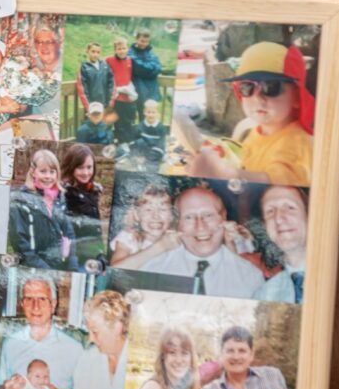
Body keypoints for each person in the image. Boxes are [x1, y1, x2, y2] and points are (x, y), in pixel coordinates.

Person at [188, 42, 313, 186]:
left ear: (297, 97)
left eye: (271, 87)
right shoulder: (260, 130)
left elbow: (277, 185)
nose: (257, 97)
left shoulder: (296, 143)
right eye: (247, 87)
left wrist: (221, 173)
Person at [0, 273, 82, 389]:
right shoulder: (11, 343)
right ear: (22, 304)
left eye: (42, 299)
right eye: (29, 299)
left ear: (53, 304)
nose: (35, 306)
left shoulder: (74, 348)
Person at [139, 187, 265, 298]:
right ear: (177, 223)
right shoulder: (153, 268)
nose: (200, 226)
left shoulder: (250, 277)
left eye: (208, 215)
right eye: (189, 217)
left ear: (223, 217)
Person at [63, 291, 129, 389]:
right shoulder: (89, 357)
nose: (90, 339)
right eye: (89, 332)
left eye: (95, 332)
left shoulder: (140, 361)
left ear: (117, 327)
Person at [9, 149, 78, 271]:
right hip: (34, 267)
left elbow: (69, 231)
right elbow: (20, 243)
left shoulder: (60, 197)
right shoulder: (20, 200)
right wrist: (44, 268)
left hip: (61, 264)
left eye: (52, 172)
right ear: (33, 172)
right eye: (43, 171)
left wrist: (73, 264)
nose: (48, 176)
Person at [253, 186, 308, 303]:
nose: (278, 219)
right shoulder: (265, 295)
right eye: (270, 211)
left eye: (290, 208)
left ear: (309, 216)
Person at [109, 183, 173, 270]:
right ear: (136, 215)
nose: (156, 216)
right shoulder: (129, 238)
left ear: (172, 215)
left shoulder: (176, 240)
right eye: (148, 210)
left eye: (163, 209)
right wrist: (160, 246)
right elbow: (115, 269)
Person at [60, 144, 104, 267]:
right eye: (80, 168)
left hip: (94, 254)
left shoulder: (92, 191)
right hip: (77, 259)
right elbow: (66, 232)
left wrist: (100, 255)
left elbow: (95, 228)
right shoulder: (65, 194)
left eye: (89, 167)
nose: (86, 173)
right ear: (71, 167)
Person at [107, 38, 138, 143]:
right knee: (119, 123)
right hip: (117, 98)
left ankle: (128, 143)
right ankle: (121, 143)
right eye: (119, 49)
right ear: (115, 50)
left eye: (124, 48)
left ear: (127, 48)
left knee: (129, 121)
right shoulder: (109, 60)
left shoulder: (130, 60)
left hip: (129, 98)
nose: (121, 51)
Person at [130, 28, 163, 117]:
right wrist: (152, 70)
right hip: (139, 90)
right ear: (136, 39)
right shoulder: (130, 53)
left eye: (146, 41)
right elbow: (138, 68)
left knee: (151, 115)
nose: (144, 44)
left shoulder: (150, 52)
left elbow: (159, 67)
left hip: (152, 90)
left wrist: (150, 70)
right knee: (142, 114)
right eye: (142, 41)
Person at [77, 42, 114, 112]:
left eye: (98, 52)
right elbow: (82, 89)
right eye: (93, 51)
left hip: (105, 105)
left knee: (105, 123)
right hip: (92, 107)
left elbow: (111, 82)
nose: (95, 54)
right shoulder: (84, 67)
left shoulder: (105, 65)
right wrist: (88, 107)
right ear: (87, 51)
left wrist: (110, 101)